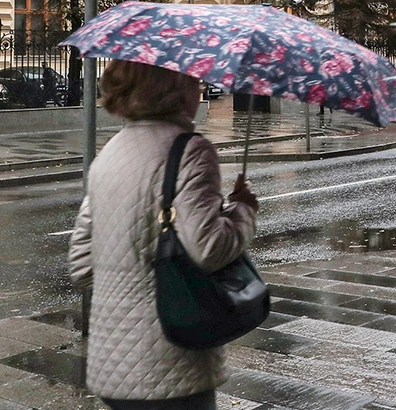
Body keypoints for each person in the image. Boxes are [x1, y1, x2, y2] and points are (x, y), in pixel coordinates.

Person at [68, 61, 258, 410]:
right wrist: (243, 210)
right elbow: (210, 249)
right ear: (175, 87)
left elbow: (82, 265)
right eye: (193, 79)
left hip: (111, 367)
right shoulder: (190, 150)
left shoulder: (108, 155)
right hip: (172, 365)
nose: (199, 87)